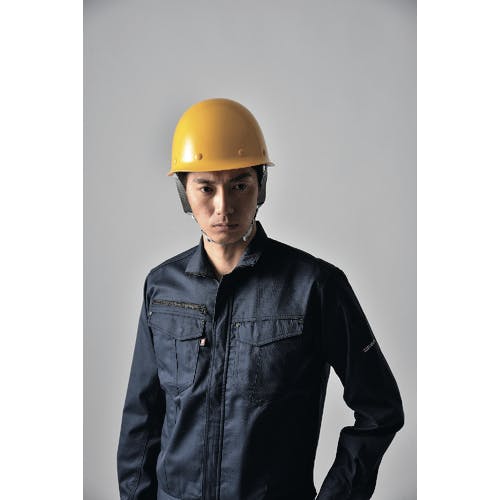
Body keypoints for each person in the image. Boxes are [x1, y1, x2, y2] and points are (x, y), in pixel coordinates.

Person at [117, 98, 404, 500]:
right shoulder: (162, 288)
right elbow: (142, 419)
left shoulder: (315, 286)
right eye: (206, 188)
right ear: (184, 193)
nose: (223, 207)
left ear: (260, 187)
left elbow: (380, 408)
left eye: (239, 185)